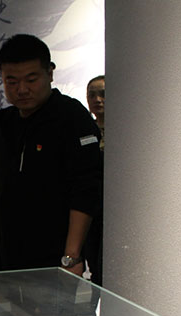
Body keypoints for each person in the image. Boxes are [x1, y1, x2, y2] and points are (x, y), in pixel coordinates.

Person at [0, 34, 102, 275]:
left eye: (31, 79)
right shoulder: (3, 125)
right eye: (11, 81)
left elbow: (86, 189)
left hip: (56, 257)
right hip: (10, 259)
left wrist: (71, 256)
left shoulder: (71, 117)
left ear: (50, 73)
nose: (22, 89)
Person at [84, 74, 105, 284]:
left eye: (103, 94)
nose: (97, 100)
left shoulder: (128, 133)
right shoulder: (84, 131)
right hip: (90, 208)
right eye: (92, 95)